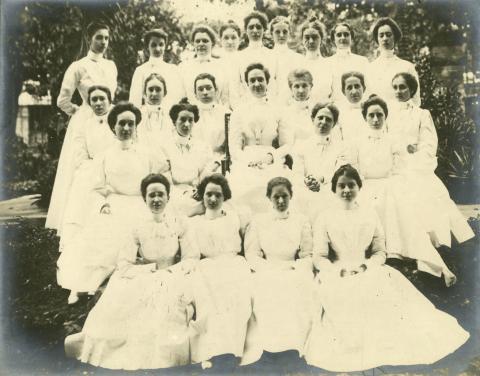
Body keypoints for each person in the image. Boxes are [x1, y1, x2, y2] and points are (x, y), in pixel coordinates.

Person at [304, 164, 469, 372]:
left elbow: (379, 251)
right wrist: (338, 271)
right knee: (342, 293)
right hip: (337, 270)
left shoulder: (369, 214)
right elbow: (318, 256)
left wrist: (366, 266)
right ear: (334, 189)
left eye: (351, 185)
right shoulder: (325, 217)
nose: (346, 190)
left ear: (359, 187)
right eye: (341, 186)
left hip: (367, 267)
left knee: (380, 292)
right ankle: (352, 348)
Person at [64, 173, 196, 370]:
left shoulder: (181, 222)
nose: (157, 199)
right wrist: (151, 269)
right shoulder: (136, 226)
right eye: (151, 195)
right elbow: (124, 264)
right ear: (144, 199)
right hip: (146, 275)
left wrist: (173, 270)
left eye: (161, 194)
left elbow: (191, 257)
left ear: (168, 197)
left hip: (173, 275)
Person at [57, 102, 169, 304]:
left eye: (130, 124)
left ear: (136, 127)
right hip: (114, 203)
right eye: (121, 124)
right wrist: (103, 204)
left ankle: (118, 283)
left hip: (141, 204)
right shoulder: (105, 156)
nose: (126, 128)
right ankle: (85, 284)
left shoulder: (148, 154)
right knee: (102, 234)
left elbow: (158, 181)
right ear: (113, 127)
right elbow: (95, 187)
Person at [349, 95, 457, 286]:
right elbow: (354, 168)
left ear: (385, 117)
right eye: (371, 115)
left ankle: (401, 254)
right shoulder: (357, 141)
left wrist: (393, 183)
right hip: (365, 186)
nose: (375, 120)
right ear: (365, 117)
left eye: (379, 115)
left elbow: (400, 168)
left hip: (388, 184)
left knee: (399, 209)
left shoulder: (392, 140)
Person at [47, 21, 117, 239]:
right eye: (99, 37)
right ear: (89, 39)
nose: (103, 42)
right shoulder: (78, 66)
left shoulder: (111, 65)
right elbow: (62, 100)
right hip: (86, 119)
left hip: (109, 118)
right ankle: (78, 221)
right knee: (82, 169)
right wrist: (78, 111)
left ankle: (106, 218)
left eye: (106, 38)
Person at [388, 72, 474, 249]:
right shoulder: (387, 114)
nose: (398, 91)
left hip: (414, 164)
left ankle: (439, 243)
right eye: (395, 87)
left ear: (411, 89)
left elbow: (429, 143)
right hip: (393, 165)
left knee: (430, 192)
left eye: (402, 87)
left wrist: (416, 153)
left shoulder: (421, 114)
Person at [242, 177, 314, 365]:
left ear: (291, 196)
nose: (281, 201)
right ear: (269, 198)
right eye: (276, 197)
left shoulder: (301, 220)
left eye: (285, 196)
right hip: (268, 268)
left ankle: (294, 346)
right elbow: (252, 254)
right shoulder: (259, 221)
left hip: (292, 267)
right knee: (267, 288)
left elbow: (307, 254)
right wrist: (267, 268)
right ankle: (270, 346)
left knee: (298, 287)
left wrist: (297, 267)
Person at [185, 174, 252, 369]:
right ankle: (213, 350)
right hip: (207, 266)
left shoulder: (234, 217)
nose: (213, 199)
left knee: (236, 297)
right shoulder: (194, 222)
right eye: (208, 195)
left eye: (218, 195)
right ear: (202, 197)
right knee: (209, 299)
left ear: (225, 198)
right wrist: (197, 209)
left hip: (234, 264)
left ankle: (233, 349)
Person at [228, 63, 288, 213]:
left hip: (271, 159)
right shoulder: (239, 111)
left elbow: (287, 144)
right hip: (245, 160)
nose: (257, 84)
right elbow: (234, 147)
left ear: (267, 82)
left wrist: (271, 157)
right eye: (252, 80)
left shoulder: (278, 109)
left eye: (260, 79)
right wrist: (246, 161)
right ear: (247, 84)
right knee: (241, 191)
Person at [60, 85, 116, 245]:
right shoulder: (84, 125)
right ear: (90, 103)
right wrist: (92, 168)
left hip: (114, 167)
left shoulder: (118, 122)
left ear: (109, 100)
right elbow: (80, 153)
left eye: (102, 99)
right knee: (83, 188)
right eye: (94, 100)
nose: (98, 103)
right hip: (92, 169)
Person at [161, 98, 219, 216]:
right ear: (174, 121)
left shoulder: (202, 146)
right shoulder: (164, 146)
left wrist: (201, 189)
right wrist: (183, 193)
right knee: (182, 206)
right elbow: (165, 179)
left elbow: (206, 172)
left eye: (190, 120)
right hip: (175, 193)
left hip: (198, 191)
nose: (187, 124)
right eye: (182, 120)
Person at [292, 102, 346, 222]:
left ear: (334, 124)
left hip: (329, 189)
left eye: (328, 119)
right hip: (305, 188)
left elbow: (339, 173)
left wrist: (321, 180)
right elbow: (297, 173)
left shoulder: (341, 147)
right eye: (320, 118)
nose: (323, 122)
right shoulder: (300, 145)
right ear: (313, 119)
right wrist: (307, 181)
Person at [368, 17, 420, 106]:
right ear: (377, 39)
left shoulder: (407, 67)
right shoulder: (370, 68)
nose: (385, 38)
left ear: (395, 37)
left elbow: (416, 100)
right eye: (381, 35)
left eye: (388, 35)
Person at [129, 29, 184, 109]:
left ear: (165, 46)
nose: (158, 49)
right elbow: (134, 101)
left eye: (161, 44)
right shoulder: (140, 70)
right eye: (153, 45)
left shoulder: (173, 70)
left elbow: (178, 98)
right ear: (147, 47)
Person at [179, 24, 228, 105]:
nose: (201, 44)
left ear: (212, 43)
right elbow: (181, 96)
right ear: (193, 43)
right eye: (197, 41)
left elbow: (225, 97)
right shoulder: (184, 67)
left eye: (205, 41)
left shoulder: (222, 66)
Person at [237, 11, 276, 98]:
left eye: (258, 27)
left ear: (264, 29)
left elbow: (275, 84)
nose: (255, 31)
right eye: (251, 27)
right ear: (246, 30)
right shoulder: (239, 57)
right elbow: (236, 86)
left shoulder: (273, 55)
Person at [326, 22, 369, 102]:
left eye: (346, 34)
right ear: (333, 39)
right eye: (339, 35)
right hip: (336, 107)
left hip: (358, 106)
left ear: (351, 37)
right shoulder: (327, 63)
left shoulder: (362, 61)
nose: (343, 38)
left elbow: (368, 88)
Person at [191, 73, 229, 158]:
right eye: (200, 89)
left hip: (220, 159)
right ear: (195, 94)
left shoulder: (226, 114)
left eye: (208, 88)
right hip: (195, 158)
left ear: (216, 90)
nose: (205, 92)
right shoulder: (190, 114)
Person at [297, 17, 333, 103]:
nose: (311, 41)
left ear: (321, 39)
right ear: (302, 40)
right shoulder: (297, 65)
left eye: (315, 37)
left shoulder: (330, 65)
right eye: (307, 37)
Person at [269, 16, 303, 103]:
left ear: (289, 33)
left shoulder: (298, 59)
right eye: (277, 32)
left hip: (291, 103)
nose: (281, 35)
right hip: (270, 103)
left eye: (285, 32)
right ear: (271, 33)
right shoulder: (265, 57)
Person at [137, 73, 173, 155]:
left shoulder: (170, 115)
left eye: (158, 89)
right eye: (150, 89)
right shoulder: (138, 114)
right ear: (145, 92)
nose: (154, 93)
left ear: (165, 92)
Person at [335, 71, 368, 143]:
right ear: (343, 91)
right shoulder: (339, 113)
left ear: (364, 88)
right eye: (349, 88)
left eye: (357, 86)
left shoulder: (371, 110)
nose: (354, 91)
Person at [218, 20, 243, 109]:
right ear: (220, 40)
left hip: (240, 107)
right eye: (226, 38)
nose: (230, 41)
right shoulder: (216, 61)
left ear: (239, 39)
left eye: (233, 37)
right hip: (220, 108)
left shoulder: (244, 59)